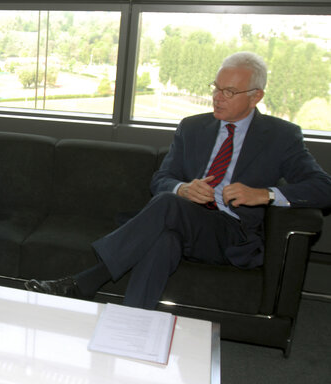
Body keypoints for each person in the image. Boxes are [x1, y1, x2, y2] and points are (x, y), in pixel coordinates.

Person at [25, 51, 331, 309]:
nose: (217, 97)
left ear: (256, 97)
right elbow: (161, 179)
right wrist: (183, 188)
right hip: (183, 223)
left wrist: (265, 194)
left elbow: (323, 188)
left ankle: (85, 281)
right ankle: (132, 328)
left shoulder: (280, 136)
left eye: (229, 92)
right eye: (216, 87)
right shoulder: (193, 127)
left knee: (168, 207)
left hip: (232, 234)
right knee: (163, 239)